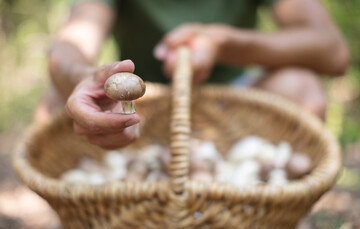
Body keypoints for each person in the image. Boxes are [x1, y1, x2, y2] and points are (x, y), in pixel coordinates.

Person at [37, 0, 349, 150]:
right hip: (145, 110)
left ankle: (272, 219)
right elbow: (72, 43)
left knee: (302, 89)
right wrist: (80, 76)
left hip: (236, 103)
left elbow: (334, 52)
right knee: (56, 100)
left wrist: (225, 44)